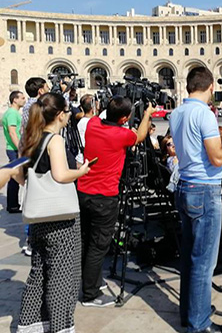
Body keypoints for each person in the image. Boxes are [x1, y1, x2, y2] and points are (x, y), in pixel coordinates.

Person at [169, 67, 222, 333]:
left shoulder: (177, 112)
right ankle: (199, 324)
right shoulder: (203, 114)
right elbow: (217, 158)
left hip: (185, 186)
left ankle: (191, 312)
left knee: (190, 259)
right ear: (211, 86)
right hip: (204, 190)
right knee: (204, 262)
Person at [15, 92, 90, 333]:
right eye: (67, 112)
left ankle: (29, 326)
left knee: (38, 274)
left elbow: (17, 174)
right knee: (63, 277)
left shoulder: (30, 137)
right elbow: (61, 175)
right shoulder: (54, 140)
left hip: (38, 218)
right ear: (58, 115)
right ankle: (60, 327)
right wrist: (82, 171)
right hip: (62, 219)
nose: (69, 116)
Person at [77, 96, 155, 307]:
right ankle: (90, 294)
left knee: (86, 240)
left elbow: (98, 115)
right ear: (124, 118)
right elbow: (140, 136)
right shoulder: (121, 135)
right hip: (104, 196)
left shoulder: (93, 124)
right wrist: (147, 113)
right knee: (98, 245)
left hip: (83, 192)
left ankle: (88, 281)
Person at [3, 90, 26, 213]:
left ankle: (13, 204)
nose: (24, 100)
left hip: (13, 148)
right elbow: (12, 132)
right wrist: (20, 148)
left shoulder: (12, 113)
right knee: (15, 176)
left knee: (15, 176)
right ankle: (12, 205)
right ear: (15, 100)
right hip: (14, 149)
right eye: (22, 98)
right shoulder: (12, 114)